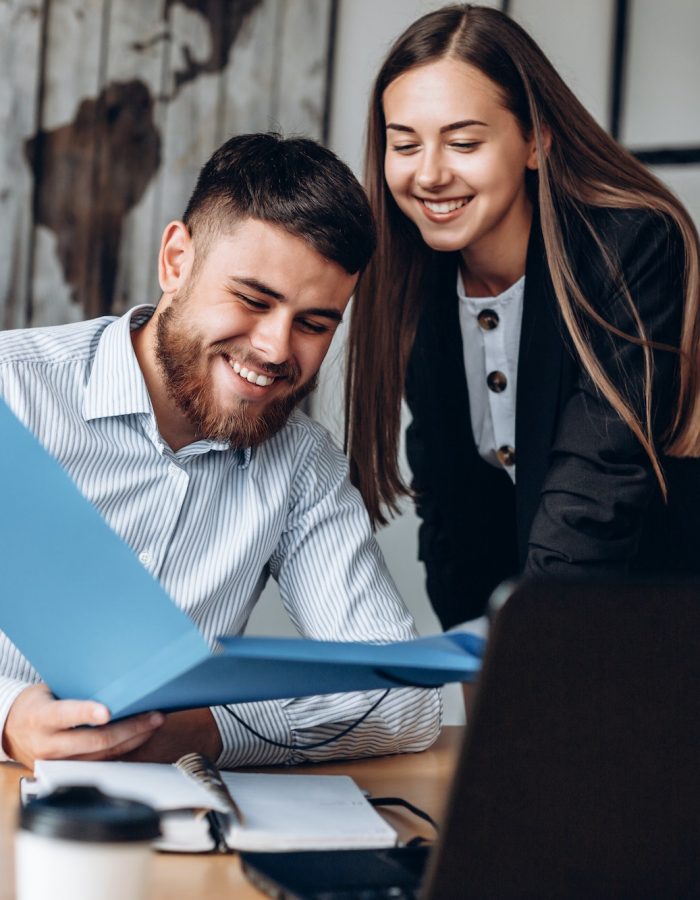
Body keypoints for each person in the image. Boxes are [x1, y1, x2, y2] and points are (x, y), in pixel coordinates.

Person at [0, 133, 441, 770]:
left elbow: (405, 698)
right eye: (253, 300)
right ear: (177, 260)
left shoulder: (301, 464)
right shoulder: (13, 390)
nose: (275, 349)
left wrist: (211, 730)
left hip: (169, 834)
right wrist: (11, 718)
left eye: (315, 323)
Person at [345, 4, 700, 631]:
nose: (428, 173)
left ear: (535, 140)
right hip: (538, 635)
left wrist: (522, 659)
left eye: (463, 142)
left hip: (661, 619)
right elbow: (451, 508)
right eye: (405, 144)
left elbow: (597, 490)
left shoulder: (631, 248)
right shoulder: (413, 275)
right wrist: (479, 671)